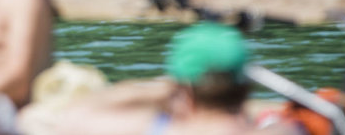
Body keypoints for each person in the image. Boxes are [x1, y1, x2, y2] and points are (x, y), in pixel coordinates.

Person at [56, 22, 295, 135]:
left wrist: (158, 89)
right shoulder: (281, 131)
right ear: (245, 88)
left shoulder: (153, 129)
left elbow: (74, 116)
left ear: (182, 88)